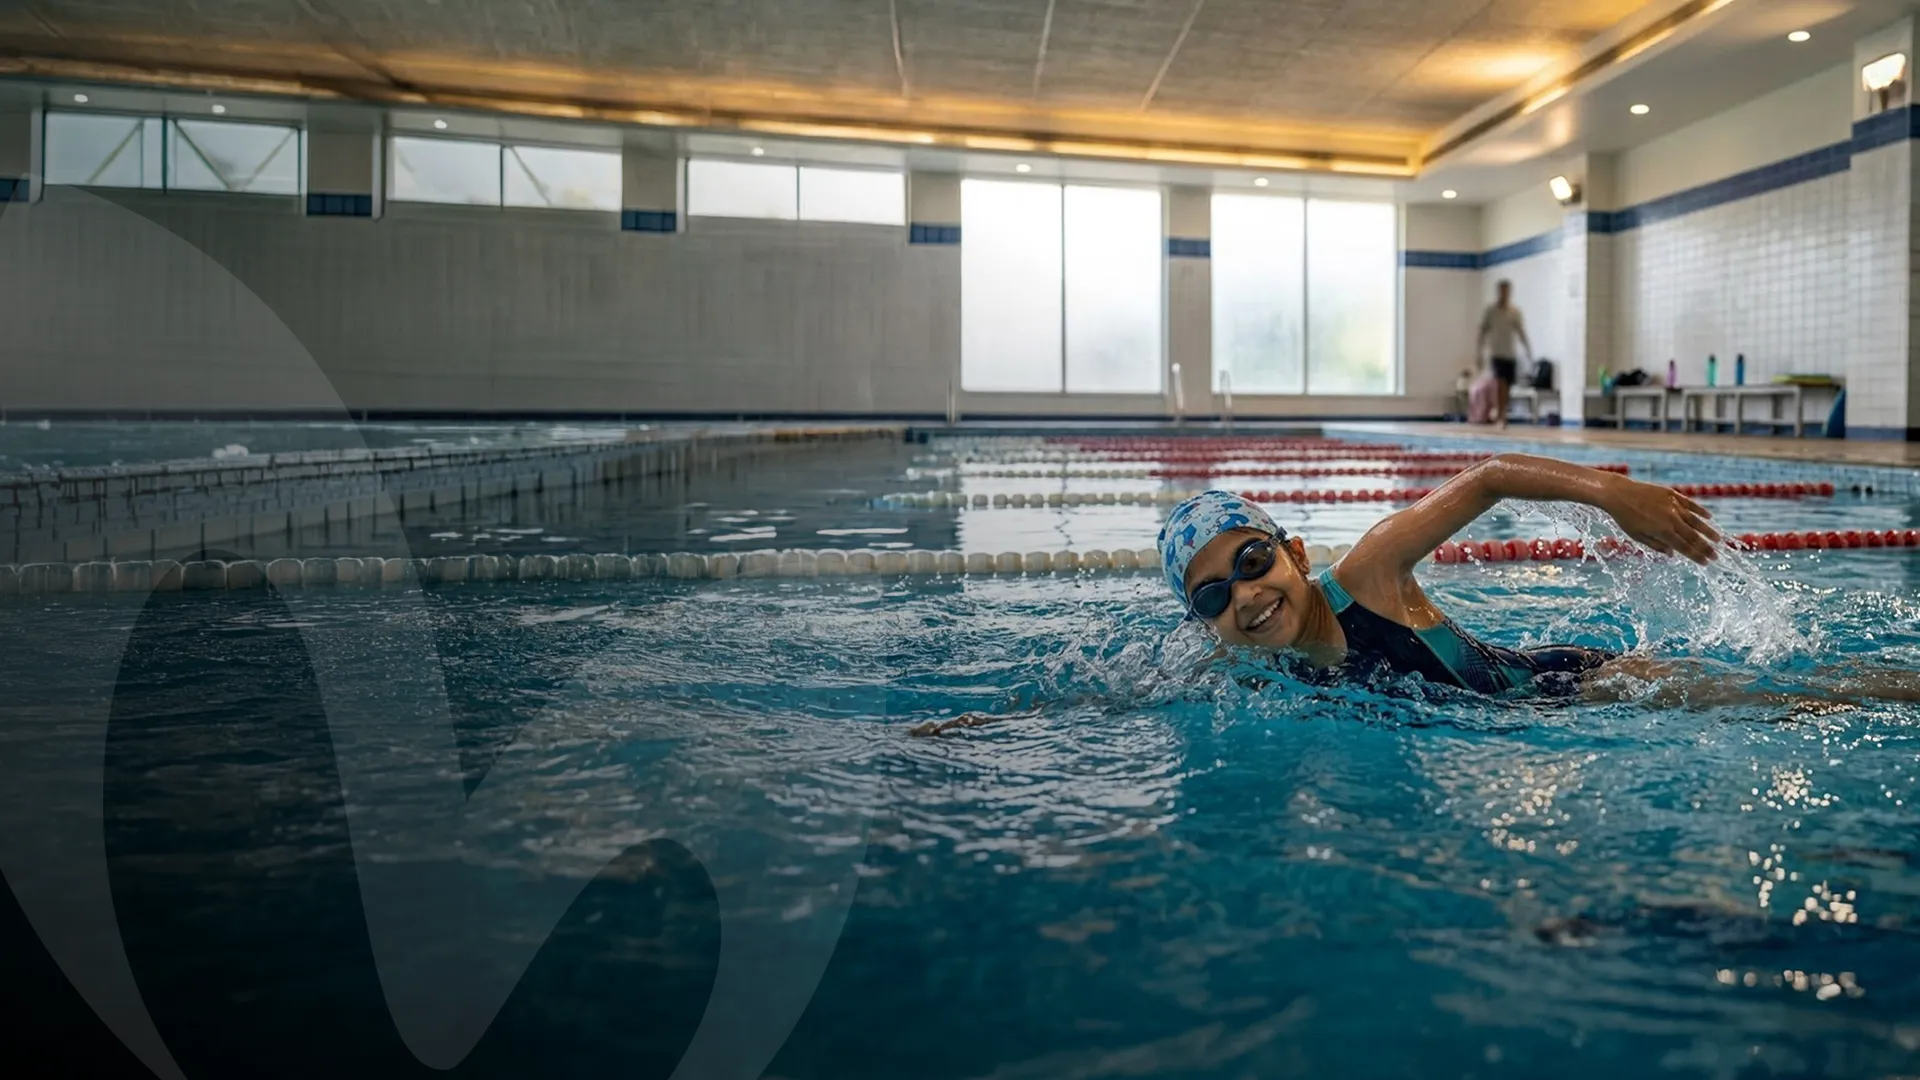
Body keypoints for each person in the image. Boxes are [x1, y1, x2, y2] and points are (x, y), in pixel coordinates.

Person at [909, 453, 1920, 734]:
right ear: (1204, 627)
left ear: (1292, 550)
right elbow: (1108, 697)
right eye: (1214, 599)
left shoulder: (1371, 572)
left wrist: (1615, 495)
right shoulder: (1237, 677)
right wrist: (988, 723)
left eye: (1252, 565)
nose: (1246, 600)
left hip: (1573, 690)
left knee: (1787, 703)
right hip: (1509, 740)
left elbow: (1483, 481)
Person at [1478, 280, 1533, 431]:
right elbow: (1482, 331)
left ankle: (1502, 413)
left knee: (1507, 387)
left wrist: (1528, 350)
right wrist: (1480, 352)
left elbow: (1521, 332)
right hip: (1496, 353)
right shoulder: (1491, 311)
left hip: (1510, 354)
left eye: (1506, 290)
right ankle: (1501, 415)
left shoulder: (1514, 312)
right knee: (1499, 384)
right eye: (1502, 290)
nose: (1504, 293)